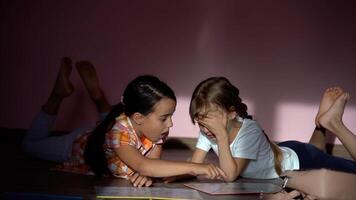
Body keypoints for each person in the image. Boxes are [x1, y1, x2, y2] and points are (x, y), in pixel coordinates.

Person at [23, 58, 226, 188]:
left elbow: (151, 166)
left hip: (110, 134)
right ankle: (57, 95)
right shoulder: (117, 132)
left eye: (171, 115)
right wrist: (196, 168)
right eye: (164, 118)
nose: (171, 124)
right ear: (138, 118)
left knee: (111, 123)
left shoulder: (154, 130)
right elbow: (145, 166)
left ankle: (98, 98)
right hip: (76, 144)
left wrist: (145, 174)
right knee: (30, 145)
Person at [182, 77, 356, 182]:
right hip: (283, 151)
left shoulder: (249, 131)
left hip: (299, 162)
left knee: (322, 157)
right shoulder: (208, 130)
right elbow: (195, 166)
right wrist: (178, 173)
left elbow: (230, 175)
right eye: (201, 124)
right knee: (316, 150)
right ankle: (321, 123)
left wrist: (220, 136)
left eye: (210, 122)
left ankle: (334, 124)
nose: (205, 129)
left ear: (232, 113)